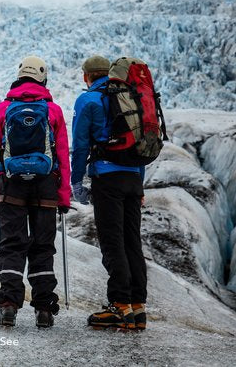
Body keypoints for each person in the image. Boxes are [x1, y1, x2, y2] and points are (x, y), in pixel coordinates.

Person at [0, 56, 71, 328]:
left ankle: (9, 304)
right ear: (43, 79)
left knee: (11, 243)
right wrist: (64, 195)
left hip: (11, 186)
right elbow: (62, 156)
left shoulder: (3, 108)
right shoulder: (53, 110)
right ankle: (44, 309)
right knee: (42, 246)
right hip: (45, 187)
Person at [70, 55, 147, 330]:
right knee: (132, 242)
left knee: (112, 242)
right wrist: (139, 184)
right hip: (132, 178)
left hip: (107, 180)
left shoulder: (88, 100)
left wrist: (76, 182)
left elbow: (80, 146)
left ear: (86, 76)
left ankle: (119, 305)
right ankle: (137, 309)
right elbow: (139, 143)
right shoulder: (129, 96)